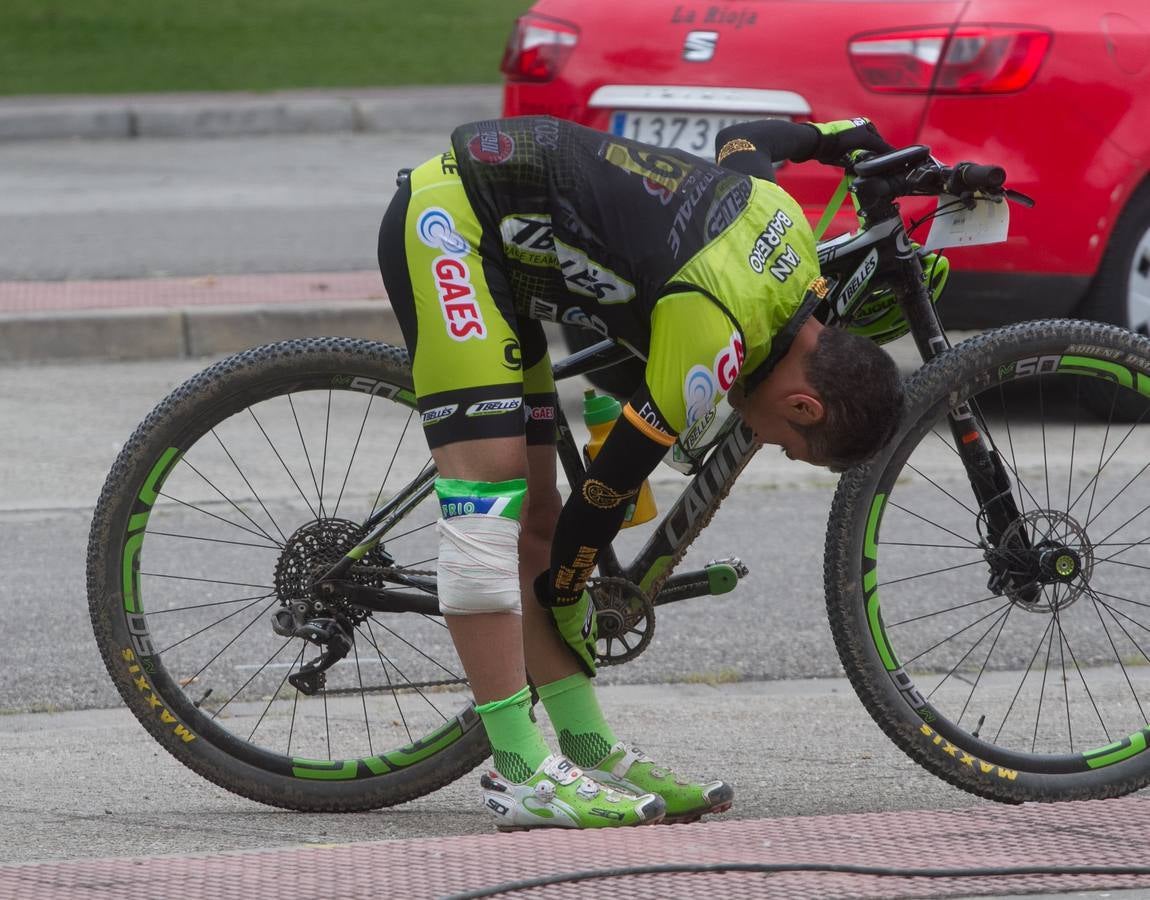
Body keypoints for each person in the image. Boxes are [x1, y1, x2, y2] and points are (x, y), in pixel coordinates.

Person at [376, 115, 904, 830]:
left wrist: (838, 136)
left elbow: (749, 141)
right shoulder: (711, 334)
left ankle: (586, 747)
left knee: (538, 516)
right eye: (787, 442)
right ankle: (519, 771)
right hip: (455, 224)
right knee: (487, 507)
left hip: (510, 244)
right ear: (805, 403)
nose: (767, 439)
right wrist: (567, 594)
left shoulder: (786, 228)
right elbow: (608, 489)